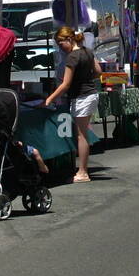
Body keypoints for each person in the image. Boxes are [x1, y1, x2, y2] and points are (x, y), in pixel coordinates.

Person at [44, 26, 101, 183]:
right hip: (91, 94)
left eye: (60, 43)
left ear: (69, 39)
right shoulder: (87, 52)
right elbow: (98, 71)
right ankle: (82, 170)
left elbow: (65, 84)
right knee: (82, 133)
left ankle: (83, 172)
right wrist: (85, 77)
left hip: (82, 97)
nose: (60, 47)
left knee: (81, 135)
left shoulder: (72, 57)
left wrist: (49, 99)